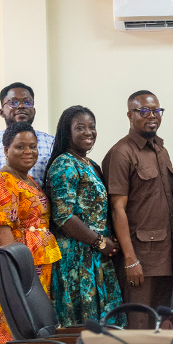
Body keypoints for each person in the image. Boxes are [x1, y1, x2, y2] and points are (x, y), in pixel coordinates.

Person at [102, 90, 173, 329]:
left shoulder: (160, 150)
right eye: (143, 111)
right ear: (129, 115)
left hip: (166, 255)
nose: (152, 116)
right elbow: (117, 209)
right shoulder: (122, 153)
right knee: (139, 326)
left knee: (162, 325)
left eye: (156, 111)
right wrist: (131, 259)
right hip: (140, 258)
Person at [46, 106, 125, 327]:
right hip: (77, 256)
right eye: (80, 128)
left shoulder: (89, 164)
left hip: (97, 255)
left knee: (106, 326)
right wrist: (99, 242)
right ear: (67, 132)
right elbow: (63, 217)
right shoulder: (64, 164)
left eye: (92, 127)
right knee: (84, 326)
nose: (88, 132)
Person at [0, 121, 61, 343]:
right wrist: (17, 272)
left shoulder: (27, 179)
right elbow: (0, 231)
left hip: (33, 265)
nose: (28, 151)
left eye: (33, 146)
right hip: (13, 268)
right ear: (6, 150)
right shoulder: (2, 182)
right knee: (12, 329)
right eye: (20, 147)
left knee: (34, 328)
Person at [0, 82, 54, 183]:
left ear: (34, 111)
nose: (21, 106)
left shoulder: (51, 143)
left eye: (27, 102)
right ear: (1, 112)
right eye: (13, 103)